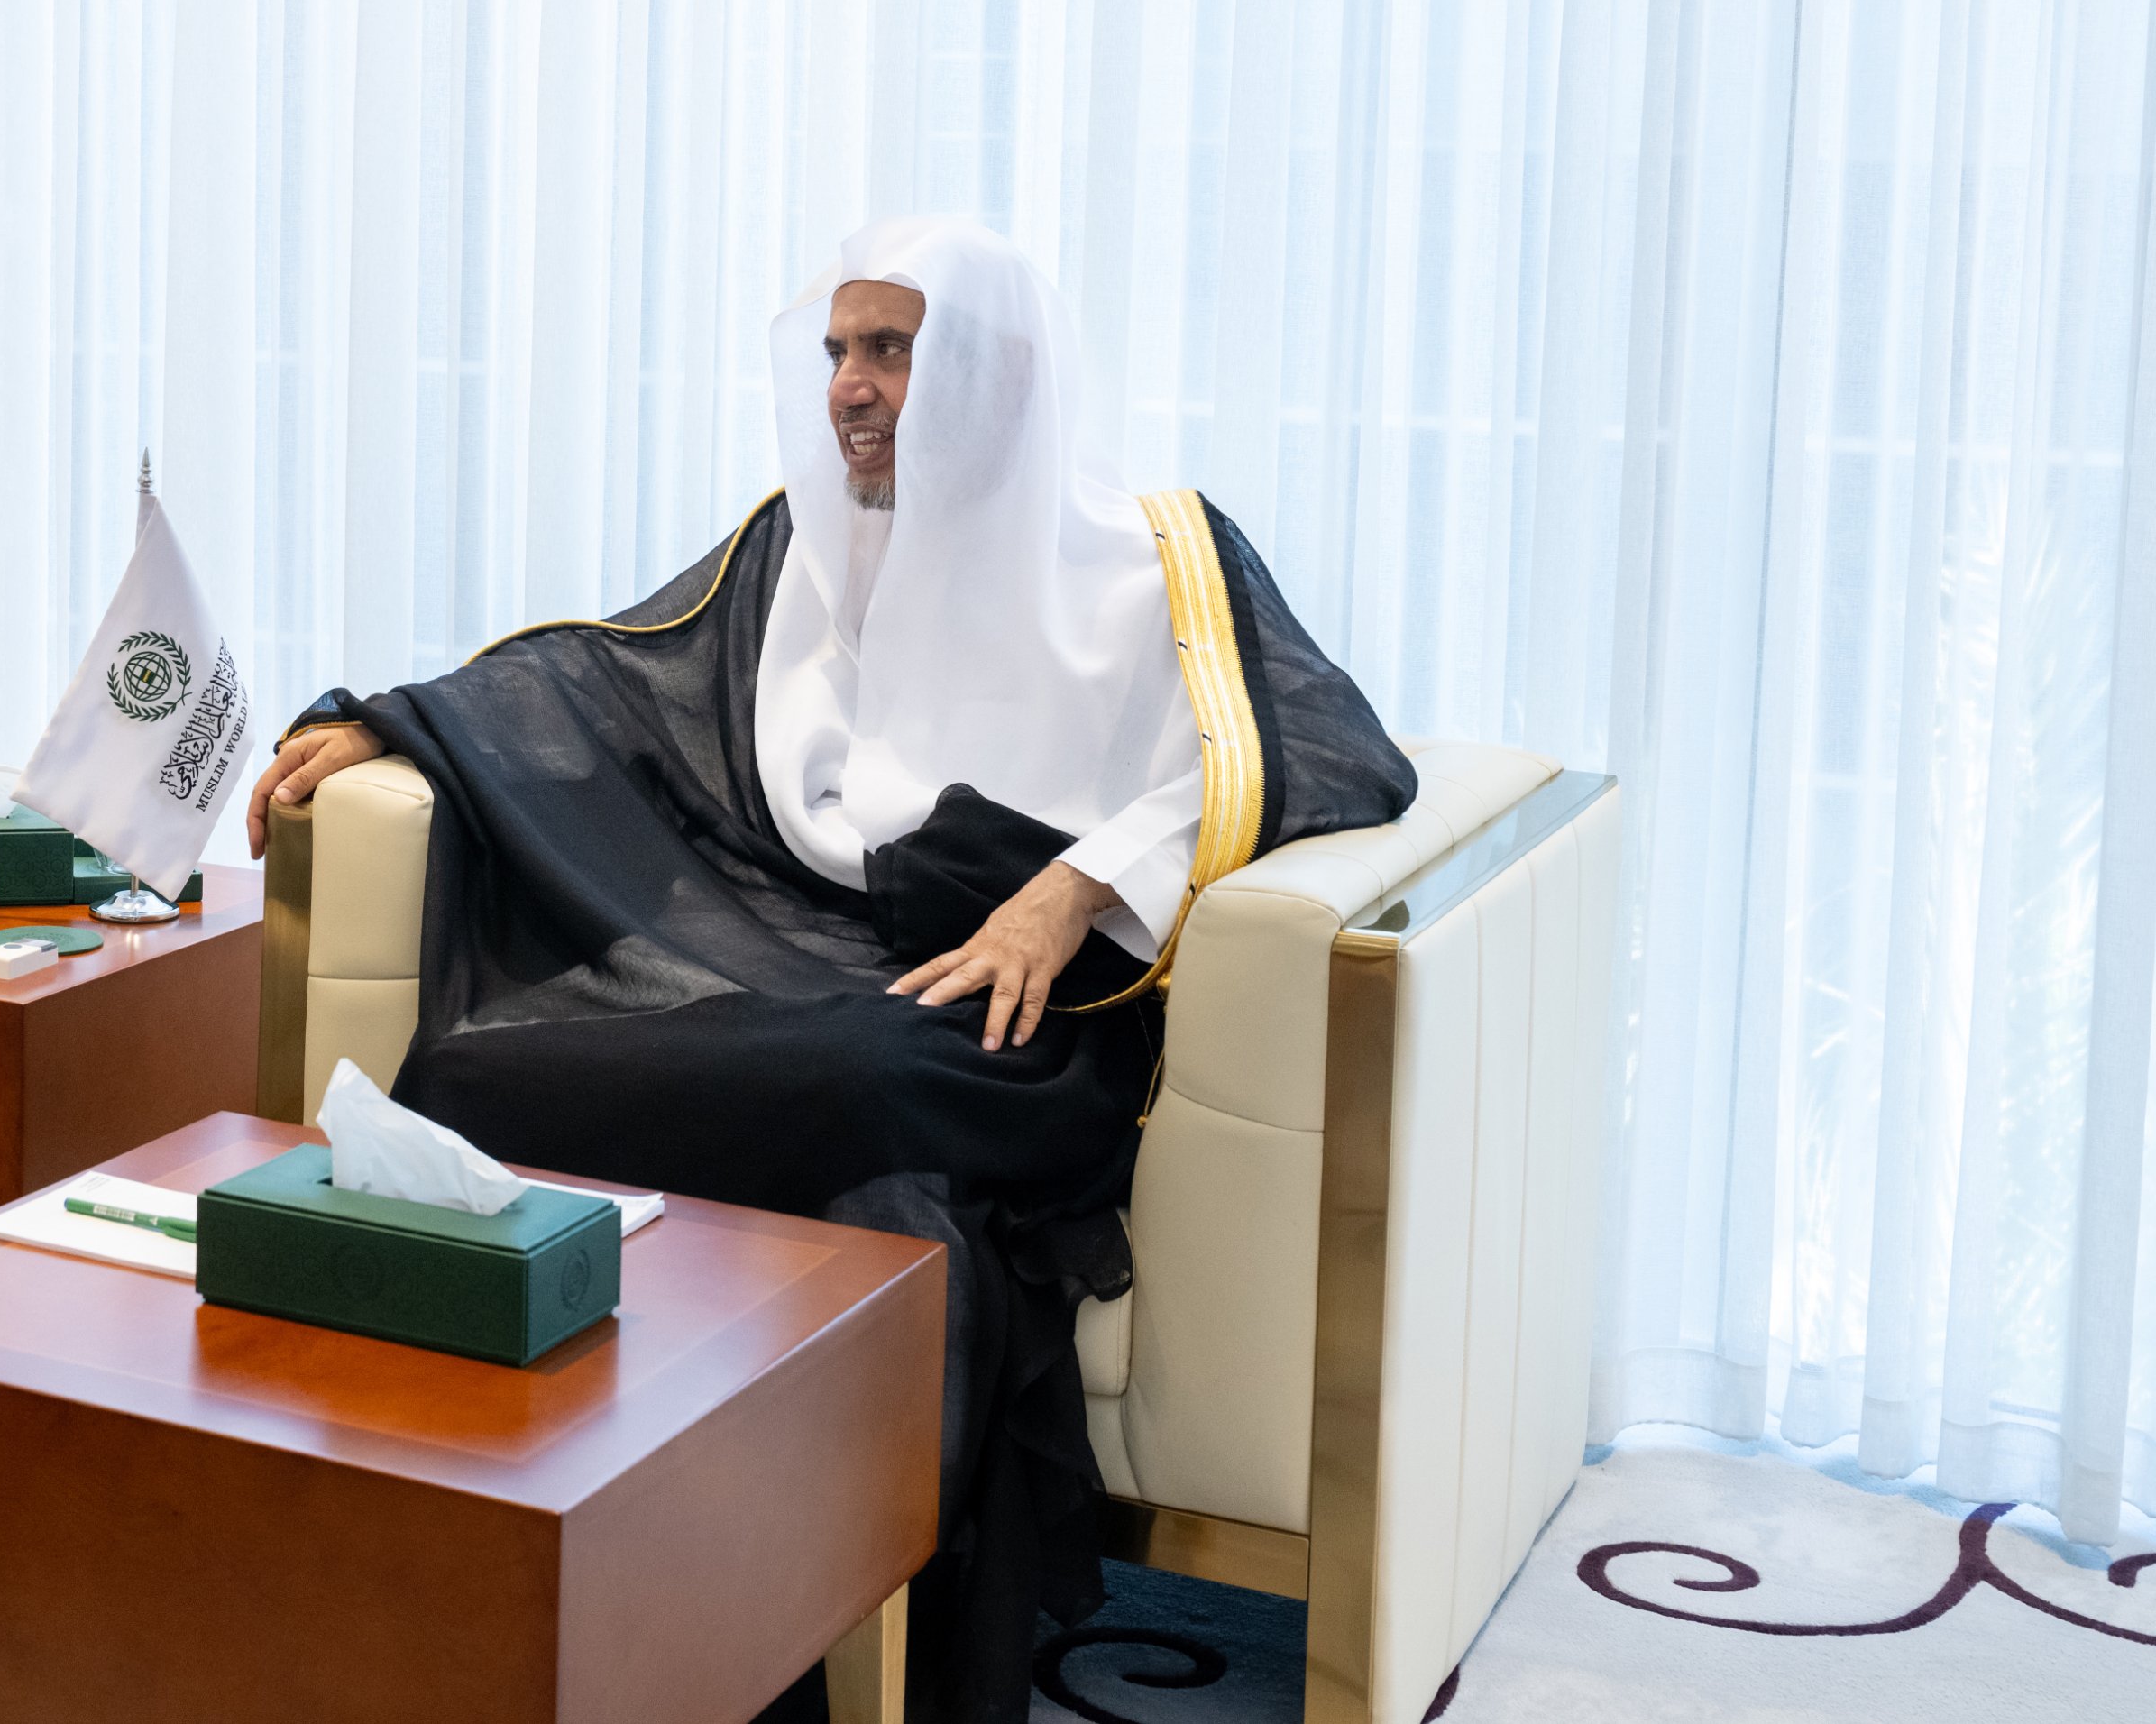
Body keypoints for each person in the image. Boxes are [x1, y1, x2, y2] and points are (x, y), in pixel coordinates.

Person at [244, 216, 1416, 1724]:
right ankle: (471, 1548)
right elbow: (607, 667)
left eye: (891, 352)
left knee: (857, 1069)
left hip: (1025, 1002)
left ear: (993, 372)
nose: (850, 388)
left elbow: (1332, 751)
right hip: (796, 949)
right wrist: (391, 722)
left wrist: (1077, 887)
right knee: (487, 1069)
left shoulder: (1159, 556)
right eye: (838, 353)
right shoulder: (796, 543)